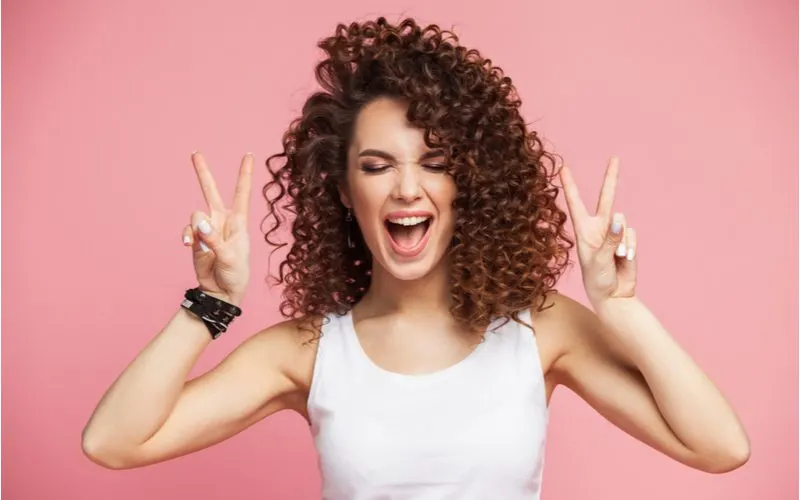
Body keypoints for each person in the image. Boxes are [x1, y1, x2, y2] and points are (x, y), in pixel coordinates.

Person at [81, 17, 750, 499]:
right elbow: (113, 442)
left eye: (435, 163)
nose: (406, 188)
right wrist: (212, 305)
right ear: (345, 190)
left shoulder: (541, 331)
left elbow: (719, 447)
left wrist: (622, 310)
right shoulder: (309, 352)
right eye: (377, 166)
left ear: (468, 183)